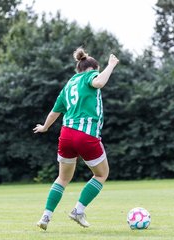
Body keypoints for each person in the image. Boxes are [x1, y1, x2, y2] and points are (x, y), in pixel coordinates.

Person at [33, 47, 119, 230]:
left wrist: (45, 127)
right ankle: (78, 210)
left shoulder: (69, 83)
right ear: (91, 69)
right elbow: (100, 82)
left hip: (66, 135)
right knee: (102, 174)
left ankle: (45, 217)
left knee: (62, 178)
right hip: (85, 135)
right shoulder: (90, 76)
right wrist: (111, 65)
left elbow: (55, 111)